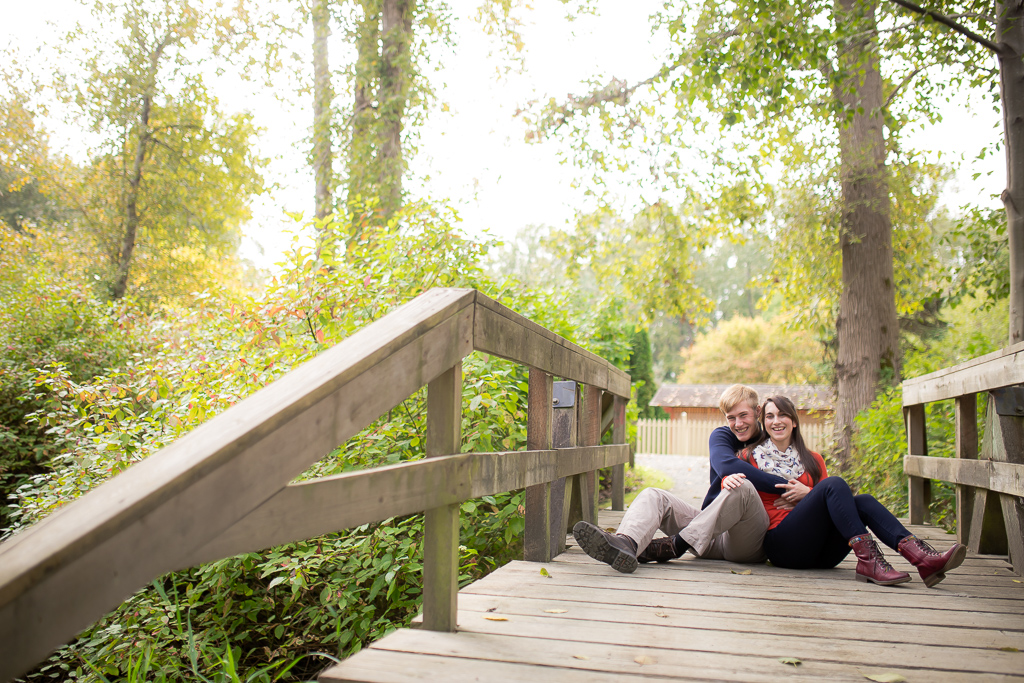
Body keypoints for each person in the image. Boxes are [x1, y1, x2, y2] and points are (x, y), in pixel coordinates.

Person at [744, 395, 966, 587]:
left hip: (823, 554)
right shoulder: (749, 457)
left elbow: (832, 504)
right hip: (784, 547)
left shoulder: (813, 460)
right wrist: (813, 496)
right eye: (770, 416)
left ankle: (923, 560)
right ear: (763, 423)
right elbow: (732, 488)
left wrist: (808, 494)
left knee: (863, 501)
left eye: (782, 415)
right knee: (835, 484)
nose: (776, 421)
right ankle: (872, 562)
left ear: (793, 421)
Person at [572, 384, 795, 573]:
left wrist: (793, 491)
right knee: (653, 495)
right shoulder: (723, 435)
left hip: (746, 541)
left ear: (757, 412)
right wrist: (784, 489)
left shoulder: (772, 441)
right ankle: (626, 544)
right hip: (707, 534)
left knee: (741, 485)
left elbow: (802, 470)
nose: (738, 424)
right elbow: (726, 464)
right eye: (731, 418)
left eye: (743, 415)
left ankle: (672, 547)